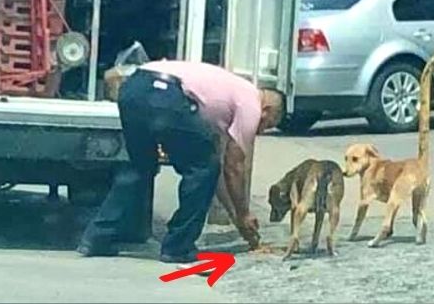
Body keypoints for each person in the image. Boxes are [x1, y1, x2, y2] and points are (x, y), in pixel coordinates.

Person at [77, 60, 286, 263]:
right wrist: (244, 213)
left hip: (134, 87)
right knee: (203, 168)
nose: (261, 130)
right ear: (267, 110)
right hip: (167, 94)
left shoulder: (225, 98)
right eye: (267, 124)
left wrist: (236, 216)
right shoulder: (251, 103)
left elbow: (220, 173)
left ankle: (97, 237)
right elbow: (233, 167)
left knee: (140, 169)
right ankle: (178, 245)